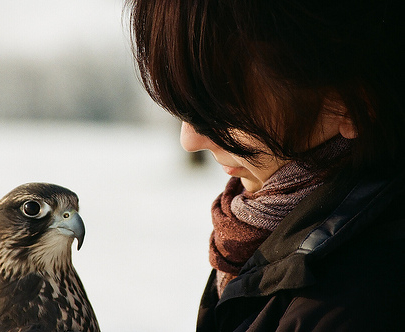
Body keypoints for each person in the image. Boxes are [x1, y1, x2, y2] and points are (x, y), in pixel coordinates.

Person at [126, 0, 405, 331]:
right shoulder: (273, 238)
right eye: (186, 110)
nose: (190, 140)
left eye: (218, 107)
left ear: (348, 101)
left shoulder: (355, 303)